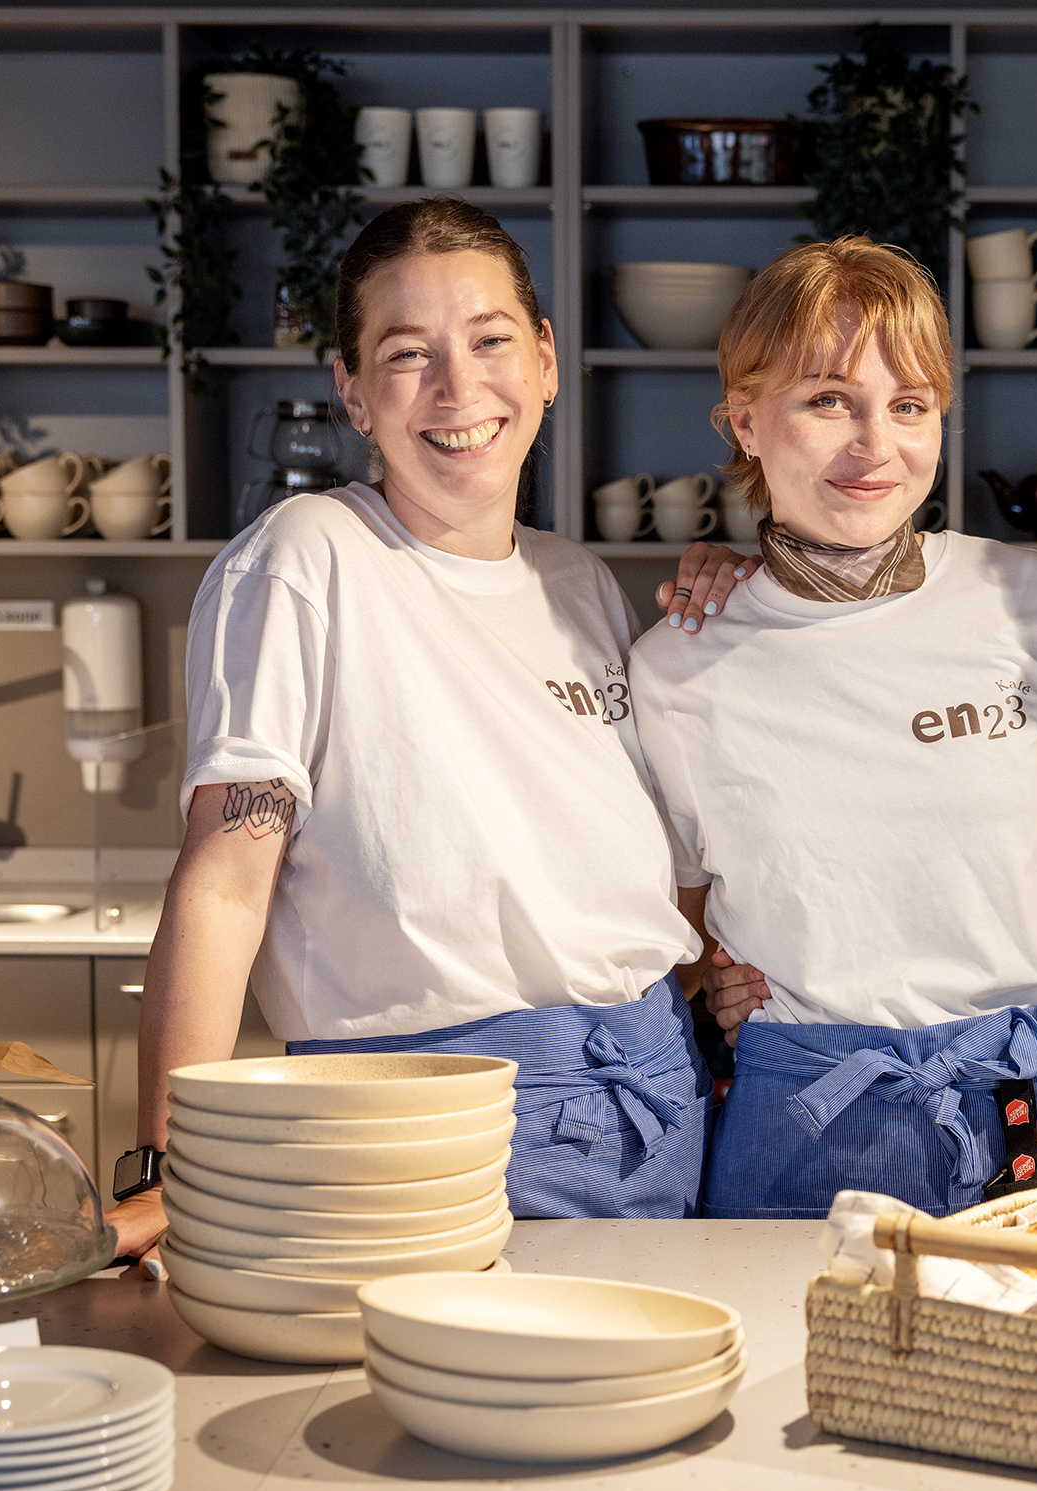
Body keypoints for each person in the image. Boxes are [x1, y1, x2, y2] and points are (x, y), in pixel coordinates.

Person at [108, 198, 753, 1262]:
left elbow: (601, 864)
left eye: (490, 340)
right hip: (428, 1127)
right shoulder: (306, 560)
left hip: (654, 1106)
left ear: (545, 361)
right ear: (352, 392)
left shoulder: (578, 584)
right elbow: (225, 879)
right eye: (409, 354)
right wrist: (174, 1169)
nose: (460, 389)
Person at [630, 238, 1037, 1219]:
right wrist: (716, 978)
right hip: (803, 1116)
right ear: (746, 419)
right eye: (827, 401)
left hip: (1031, 1103)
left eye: (907, 406)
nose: (875, 446)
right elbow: (670, 922)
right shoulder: (677, 663)